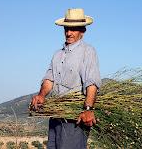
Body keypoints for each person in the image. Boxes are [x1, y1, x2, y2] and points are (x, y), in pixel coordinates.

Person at [31, 8, 101, 149]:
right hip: (55, 119)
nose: (69, 33)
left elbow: (91, 83)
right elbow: (49, 79)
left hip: (74, 120)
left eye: (73, 29)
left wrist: (88, 109)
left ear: (82, 31)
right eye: (67, 28)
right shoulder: (57, 55)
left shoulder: (88, 51)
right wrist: (41, 95)